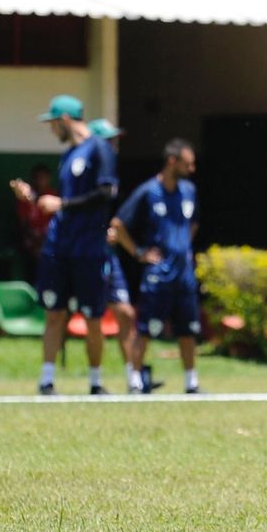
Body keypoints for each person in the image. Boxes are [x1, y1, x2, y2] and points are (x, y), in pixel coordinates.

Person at [29, 95, 119, 395]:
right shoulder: (68, 156)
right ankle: (46, 380)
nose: (52, 130)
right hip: (60, 247)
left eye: (53, 123)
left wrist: (62, 204)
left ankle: (95, 382)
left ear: (66, 119)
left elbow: (106, 193)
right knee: (54, 313)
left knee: (93, 317)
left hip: (89, 248)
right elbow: (61, 205)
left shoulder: (100, 149)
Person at [112, 138, 203, 394]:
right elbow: (118, 225)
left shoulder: (189, 191)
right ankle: (135, 382)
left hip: (184, 274)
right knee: (146, 330)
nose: (192, 169)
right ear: (172, 161)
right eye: (188, 163)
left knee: (188, 330)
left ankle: (191, 383)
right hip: (158, 275)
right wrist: (139, 253)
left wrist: (181, 247)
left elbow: (193, 224)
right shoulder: (148, 191)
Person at [87, 118, 163, 394]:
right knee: (87, 318)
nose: (113, 145)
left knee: (126, 313)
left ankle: (135, 379)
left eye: (114, 140)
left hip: (109, 256)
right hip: (86, 256)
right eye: (108, 140)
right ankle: (92, 381)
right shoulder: (85, 175)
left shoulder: (112, 173)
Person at [10, 163, 55, 280]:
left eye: (44, 177)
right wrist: (33, 243)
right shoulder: (24, 199)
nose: (41, 181)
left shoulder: (54, 197)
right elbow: (22, 224)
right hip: (31, 242)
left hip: (51, 241)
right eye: (38, 178)